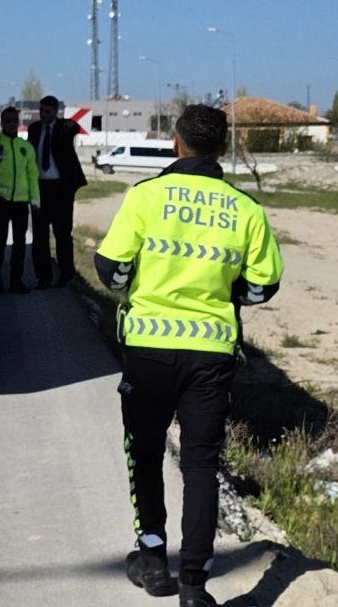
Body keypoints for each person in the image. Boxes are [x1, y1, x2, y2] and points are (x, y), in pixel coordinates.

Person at [94, 105, 283, 606]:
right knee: (201, 464)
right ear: (222, 148)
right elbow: (264, 286)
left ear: (176, 143)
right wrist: (223, 293)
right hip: (211, 354)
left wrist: (134, 287)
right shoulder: (245, 209)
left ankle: (153, 561)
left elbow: (109, 266)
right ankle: (194, 585)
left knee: (146, 451)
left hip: (149, 350)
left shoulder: (146, 197)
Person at [0, 107, 40, 293]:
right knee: (1, 241)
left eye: (14, 120)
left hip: (20, 204)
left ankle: (16, 282)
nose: (12, 124)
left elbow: (32, 176)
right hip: (0, 202)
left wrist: (35, 202)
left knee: (20, 243)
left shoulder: (25, 148)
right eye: (8, 120)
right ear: (2, 123)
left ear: (18, 123)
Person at [27, 95, 87, 287]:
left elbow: (75, 127)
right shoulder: (34, 129)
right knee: (40, 236)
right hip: (41, 188)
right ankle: (43, 277)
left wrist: (69, 123)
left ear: (55, 112)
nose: (44, 115)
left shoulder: (63, 128)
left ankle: (66, 274)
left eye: (48, 112)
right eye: (41, 111)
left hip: (61, 189)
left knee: (62, 234)